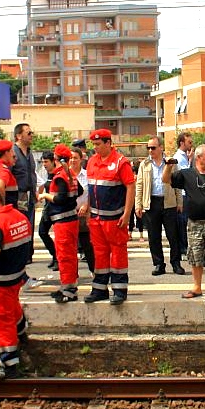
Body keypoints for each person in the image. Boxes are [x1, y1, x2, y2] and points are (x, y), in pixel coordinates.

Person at [163, 144, 205, 302]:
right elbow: (166, 180)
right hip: (194, 223)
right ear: (199, 157)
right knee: (195, 255)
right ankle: (197, 286)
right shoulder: (186, 174)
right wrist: (168, 166)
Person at [0, 187, 33, 379]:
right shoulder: (18, 216)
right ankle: (22, 336)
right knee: (12, 309)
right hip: (16, 276)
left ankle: (9, 365)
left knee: (0, 319)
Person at [84, 129, 136, 305]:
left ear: (108, 143)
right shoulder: (91, 162)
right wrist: (88, 209)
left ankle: (120, 290)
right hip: (96, 218)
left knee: (118, 252)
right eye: (94, 145)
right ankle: (99, 289)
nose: (95, 148)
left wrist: (127, 213)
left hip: (115, 218)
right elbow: (92, 189)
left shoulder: (121, 162)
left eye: (98, 144)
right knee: (100, 254)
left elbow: (130, 187)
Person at [136, 137, 183, 276]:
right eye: (148, 148)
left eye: (153, 148)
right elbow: (139, 185)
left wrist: (180, 202)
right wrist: (138, 204)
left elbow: (177, 184)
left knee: (173, 235)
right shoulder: (144, 164)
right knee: (153, 236)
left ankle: (176, 263)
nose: (151, 151)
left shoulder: (171, 163)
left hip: (168, 202)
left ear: (161, 147)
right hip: (151, 202)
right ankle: (158, 264)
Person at [41, 144, 82, 303]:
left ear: (56, 159)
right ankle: (70, 286)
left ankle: (68, 290)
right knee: (71, 255)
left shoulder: (60, 177)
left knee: (64, 256)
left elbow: (60, 198)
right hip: (71, 220)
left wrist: (45, 196)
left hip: (62, 222)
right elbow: (80, 192)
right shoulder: (70, 173)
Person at [70, 146, 95, 274]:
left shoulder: (87, 175)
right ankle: (73, 274)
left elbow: (92, 192)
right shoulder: (65, 175)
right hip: (69, 215)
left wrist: (86, 205)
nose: (72, 160)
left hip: (84, 215)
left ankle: (94, 271)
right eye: (70, 158)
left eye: (75, 158)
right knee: (71, 248)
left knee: (88, 245)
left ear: (81, 159)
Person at [36, 150, 59, 270]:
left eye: (46, 162)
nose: (44, 164)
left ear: (53, 162)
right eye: (42, 162)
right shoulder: (47, 174)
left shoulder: (57, 174)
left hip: (57, 209)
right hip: (48, 209)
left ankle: (58, 259)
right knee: (42, 232)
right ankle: (55, 256)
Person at [173, 132, 194, 259]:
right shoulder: (179, 157)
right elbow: (185, 174)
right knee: (182, 221)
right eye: (189, 142)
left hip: (185, 193)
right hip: (183, 193)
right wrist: (190, 160)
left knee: (184, 221)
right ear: (182, 143)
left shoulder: (184, 156)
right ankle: (183, 247)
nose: (191, 145)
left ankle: (184, 246)